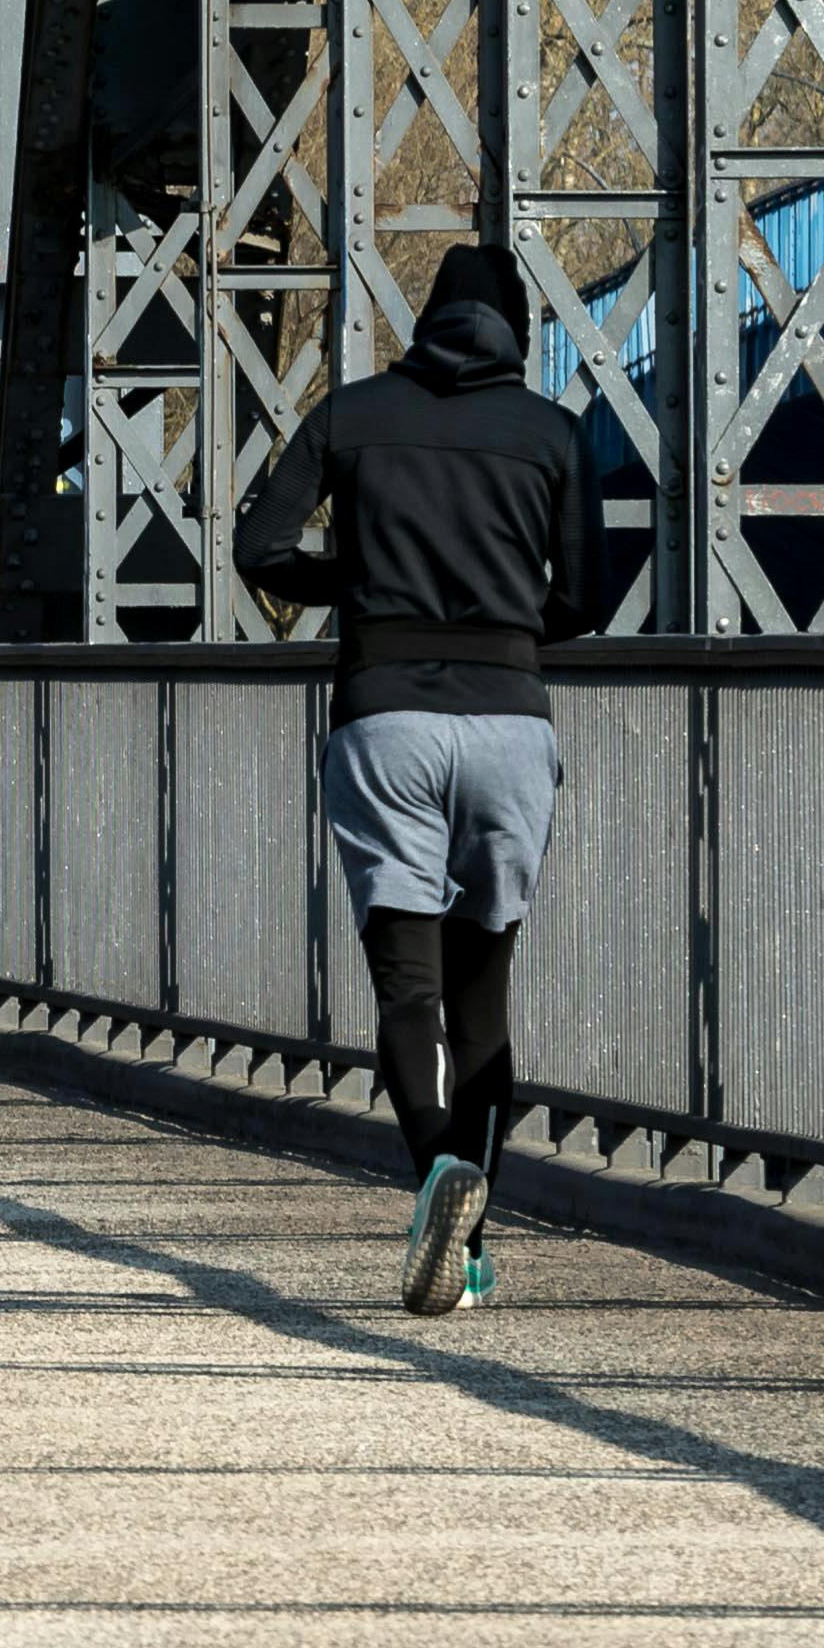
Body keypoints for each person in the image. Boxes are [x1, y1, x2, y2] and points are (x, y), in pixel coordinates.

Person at [225, 239, 616, 1315]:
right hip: (504, 724)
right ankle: (473, 1244)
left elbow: (256, 551)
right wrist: (492, 620)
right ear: (515, 335)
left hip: (383, 718)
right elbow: (586, 596)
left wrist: (356, 591)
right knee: (480, 991)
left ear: (425, 321)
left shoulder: (349, 417)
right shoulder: (551, 434)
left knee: (406, 987)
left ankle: (434, 1169)